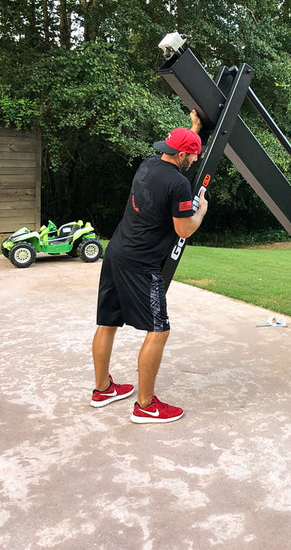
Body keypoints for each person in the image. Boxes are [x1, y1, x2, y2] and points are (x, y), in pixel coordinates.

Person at [90, 111, 208, 423]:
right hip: (141, 263)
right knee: (159, 329)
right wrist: (202, 212)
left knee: (107, 322)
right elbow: (184, 229)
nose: (195, 161)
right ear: (182, 155)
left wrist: (194, 129)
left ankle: (102, 389)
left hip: (116, 251)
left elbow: (180, 146)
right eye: (193, 156)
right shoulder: (179, 184)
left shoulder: (148, 164)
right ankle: (145, 405)